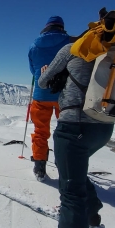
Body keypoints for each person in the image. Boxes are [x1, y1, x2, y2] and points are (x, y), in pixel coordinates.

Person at [34, 9, 115, 228]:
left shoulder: (72, 49)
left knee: (70, 192)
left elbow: (45, 82)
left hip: (74, 126)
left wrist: (45, 72)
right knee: (76, 173)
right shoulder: (113, 51)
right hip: (103, 127)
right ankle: (91, 216)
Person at [28, 16, 70, 180]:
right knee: (66, 131)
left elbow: (33, 70)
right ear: (61, 27)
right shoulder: (69, 42)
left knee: (40, 131)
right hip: (65, 94)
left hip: (41, 93)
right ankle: (64, 165)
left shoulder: (34, 46)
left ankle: (39, 167)